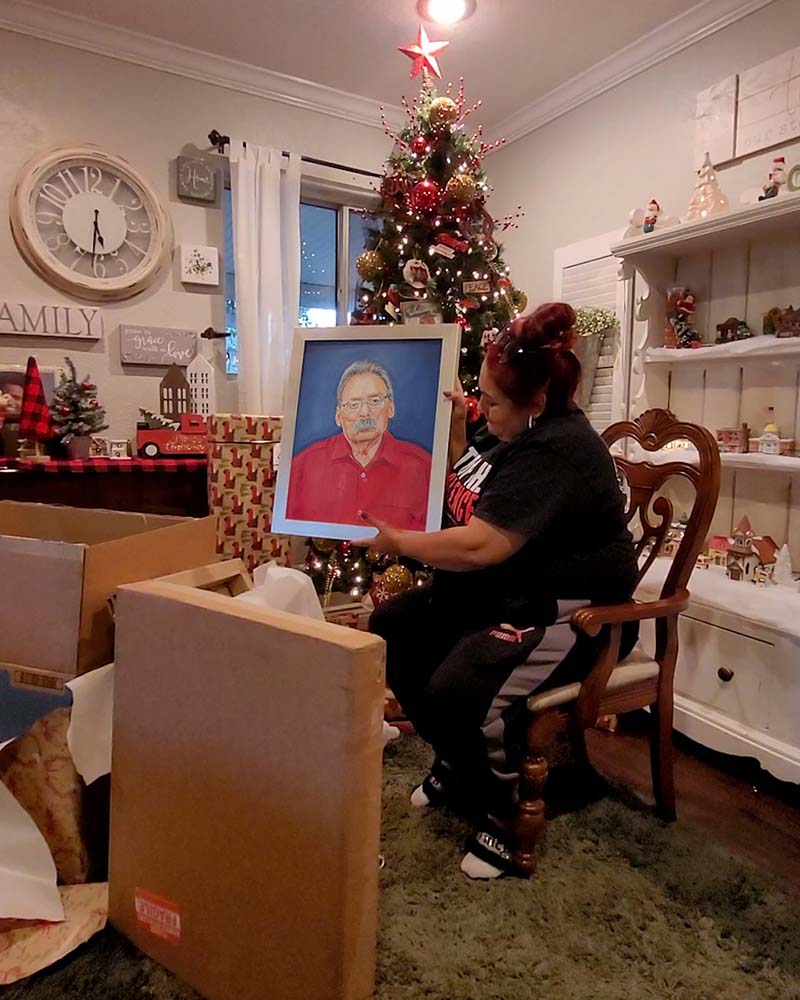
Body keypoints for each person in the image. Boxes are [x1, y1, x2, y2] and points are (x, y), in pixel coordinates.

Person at [362, 302, 639, 879]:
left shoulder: (555, 451)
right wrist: (459, 432)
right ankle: (458, 761)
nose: (479, 408)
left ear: (535, 403)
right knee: (393, 627)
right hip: (507, 593)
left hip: (573, 615)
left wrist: (401, 542)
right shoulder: (507, 430)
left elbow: (481, 545)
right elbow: (468, 494)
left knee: (460, 688)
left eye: (488, 401)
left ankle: (506, 813)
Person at [286, 359, 432, 530]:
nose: (364, 413)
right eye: (353, 404)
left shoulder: (423, 466)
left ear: (391, 408)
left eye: (374, 401)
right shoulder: (303, 466)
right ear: (338, 416)